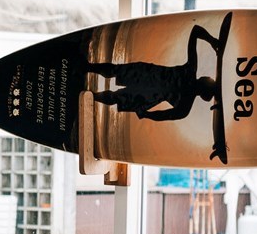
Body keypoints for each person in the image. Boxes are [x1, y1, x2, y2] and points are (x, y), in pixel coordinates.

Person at [86, 13, 233, 162]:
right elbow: (162, 116)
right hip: (147, 89)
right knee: (115, 91)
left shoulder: (189, 73)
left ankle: (88, 78)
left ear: (203, 84)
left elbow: (195, 31)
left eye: (207, 79)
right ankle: (89, 89)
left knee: (115, 82)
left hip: (148, 78)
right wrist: (146, 114)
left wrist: (212, 41)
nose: (206, 76)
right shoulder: (185, 106)